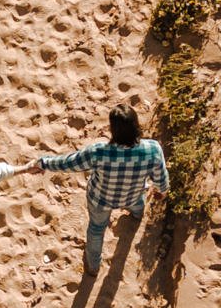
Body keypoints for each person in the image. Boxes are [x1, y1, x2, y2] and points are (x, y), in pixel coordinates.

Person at [37, 104, 168, 275]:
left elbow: (67, 163)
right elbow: (162, 180)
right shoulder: (153, 150)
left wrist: (44, 163)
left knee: (96, 231)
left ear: (113, 129)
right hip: (132, 195)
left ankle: (93, 266)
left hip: (100, 200)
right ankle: (137, 216)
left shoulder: (98, 152)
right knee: (137, 204)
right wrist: (161, 191)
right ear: (136, 125)